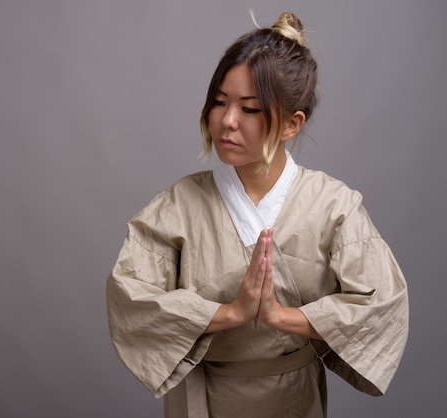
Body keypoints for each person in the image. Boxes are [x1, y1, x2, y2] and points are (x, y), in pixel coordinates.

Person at [106, 11, 409, 418]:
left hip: (293, 398)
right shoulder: (178, 205)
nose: (226, 121)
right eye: (218, 102)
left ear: (290, 123)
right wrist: (229, 313)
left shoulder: (335, 206)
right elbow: (130, 298)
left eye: (249, 109)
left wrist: (283, 317)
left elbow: (381, 306)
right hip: (203, 399)